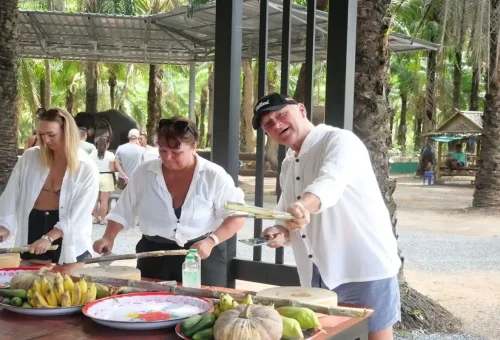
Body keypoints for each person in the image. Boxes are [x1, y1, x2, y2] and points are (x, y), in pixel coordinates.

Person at [254, 93, 401, 340]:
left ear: (301, 109)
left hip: (363, 267)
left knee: (375, 336)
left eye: (280, 114)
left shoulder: (340, 141)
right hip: (316, 272)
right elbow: (285, 213)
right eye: (268, 123)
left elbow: (328, 184)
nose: (276, 124)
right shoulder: (289, 162)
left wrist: (301, 208)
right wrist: (280, 230)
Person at [93, 117, 246, 286]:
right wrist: (108, 237)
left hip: (202, 254)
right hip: (153, 256)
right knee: (152, 308)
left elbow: (237, 215)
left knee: (205, 308)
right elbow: (123, 210)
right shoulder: (144, 173)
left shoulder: (213, 175)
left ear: (194, 147)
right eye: (163, 151)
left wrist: (212, 241)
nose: (168, 157)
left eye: (176, 152)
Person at [0, 107, 99, 271]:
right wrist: (3, 227)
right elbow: (10, 195)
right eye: (41, 135)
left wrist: (49, 237)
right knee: (32, 288)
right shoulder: (30, 157)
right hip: (34, 225)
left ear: (67, 133)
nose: (45, 140)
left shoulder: (86, 167)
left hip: (69, 233)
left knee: (67, 289)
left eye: (51, 135)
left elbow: (79, 213)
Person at [90, 137, 116, 225]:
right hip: (106, 177)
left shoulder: (92, 153)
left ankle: (95, 218)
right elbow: (112, 169)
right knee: (104, 200)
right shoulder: (110, 155)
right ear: (107, 145)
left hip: (95, 176)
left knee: (95, 200)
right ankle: (103, 219)